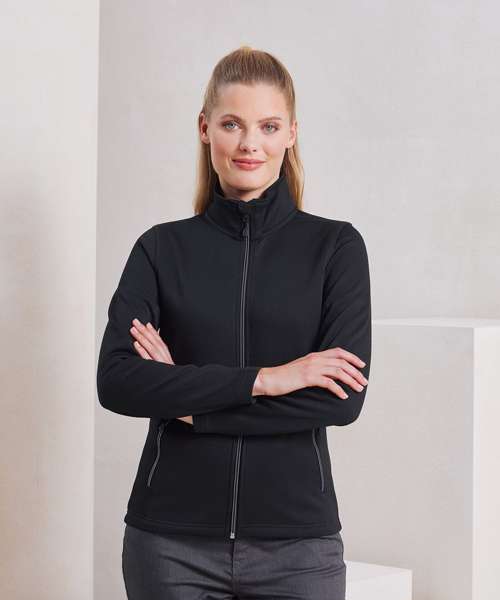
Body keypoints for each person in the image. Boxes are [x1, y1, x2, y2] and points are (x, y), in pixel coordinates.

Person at [97, 45, 371, 600]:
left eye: (268, 126)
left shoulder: (335, 248)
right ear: (205, 128)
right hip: (169, 544)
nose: (250, 143)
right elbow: (118, 381)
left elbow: (341, 400)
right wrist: (269, 379)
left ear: (291, 134)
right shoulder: (160, 250)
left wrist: (186, 404)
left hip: (298, 548)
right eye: (231, 124)